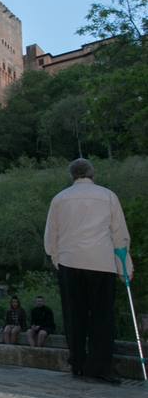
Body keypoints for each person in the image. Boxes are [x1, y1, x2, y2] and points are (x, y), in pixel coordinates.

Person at [44, 158, 131, 384]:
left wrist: (57, 259)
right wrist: (125, 269)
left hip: (70, 261)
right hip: (101, 262)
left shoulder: (59, 199)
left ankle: (78, 364)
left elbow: (51, 235)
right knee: (102, 317)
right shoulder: (108, 196)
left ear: (72, 175)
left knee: (75, 316)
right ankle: (100, 367)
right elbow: (119, 235)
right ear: (92, 173)